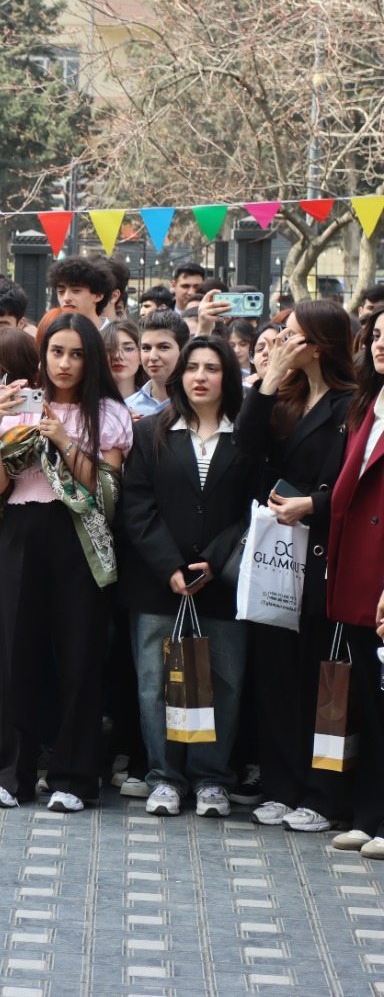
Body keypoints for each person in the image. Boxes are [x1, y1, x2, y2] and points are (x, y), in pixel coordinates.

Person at [0, 312, 132, 811]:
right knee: (14, 658)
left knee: (80, 660)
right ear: (41, 354)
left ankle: (74, 779)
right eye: (56, 352)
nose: (65, 364)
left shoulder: (107, 412)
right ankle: (12, 775)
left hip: (79, 538)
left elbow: (104, 492)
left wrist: (64, 441)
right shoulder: (18, 405)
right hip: (21, 533)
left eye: (77, 354)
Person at [119, 335, 254, 818]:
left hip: (223, 582)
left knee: (224, 680)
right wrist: (170, 565)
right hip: (158, 582)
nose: (200, 376)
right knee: (156, 681)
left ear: (228, 377)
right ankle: (164, 776)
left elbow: (252, 509)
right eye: (193, 367)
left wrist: (214, 560)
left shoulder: (248, 434)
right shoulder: (152, 431)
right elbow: (136, 506)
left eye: (212, 368)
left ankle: (213, 778)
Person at [235, 300, 356, 833]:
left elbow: (355, 483)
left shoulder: (352, 406)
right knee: (276, 674)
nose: (281, 340)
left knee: (323, 677)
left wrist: (317, 504)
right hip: (275, 555)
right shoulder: (284, 398)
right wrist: (269, 381)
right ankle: (281, 784)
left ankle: (322, 792)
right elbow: (244, 447)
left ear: (320, 344)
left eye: (292, 334)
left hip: (327, 556)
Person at [324, 308, 384, 858]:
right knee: (370, 698)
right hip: (357, 572)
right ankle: (369, 814)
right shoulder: (368, 404)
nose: (383, 345)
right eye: (379, 335)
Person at [128, 309, 189, 417]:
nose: (153, 357)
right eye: (146, 348)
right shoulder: (128, 408)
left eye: (163, 347)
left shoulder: (198, 404)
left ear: (183, 351)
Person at [51, 257, 118, 325]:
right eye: (61, 292)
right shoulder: (53, 332)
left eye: (76, 291)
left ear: (98, 295)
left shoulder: (117, 335)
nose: (66, 298)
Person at [103, 319, 142, 400]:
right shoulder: (88, 404)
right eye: (110, 348)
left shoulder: (155, 406)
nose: (118, 356)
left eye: (128, 348)